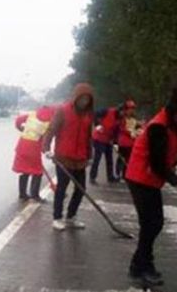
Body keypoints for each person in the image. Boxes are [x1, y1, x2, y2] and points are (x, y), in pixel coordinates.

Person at [124, 88, 177, 285]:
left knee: (153, 224)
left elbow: (167, 154)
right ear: (175, 110)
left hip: (149, 179)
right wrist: (176, 181)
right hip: (141, 178)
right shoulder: (159, 126)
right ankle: (142, 267)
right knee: (151, 224)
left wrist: (175, 169)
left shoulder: (170, 125)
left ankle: (141, 265)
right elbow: (157, 163)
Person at [43, 83, 95, 231]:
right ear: (76, 97)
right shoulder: (63, 111)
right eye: (82, 98)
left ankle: (71, 216)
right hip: (63, 158)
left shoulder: (87, 115)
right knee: (61, 188)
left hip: (80, 160)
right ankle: (57, 218)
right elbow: (51, 130)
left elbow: (88, 137)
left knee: (81, 189)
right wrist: (46, 148)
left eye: (87, 99)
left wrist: (89, 155)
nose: (84, 102)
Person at [12, 105, 55, 202]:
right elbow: (45, 140)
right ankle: (34, 195)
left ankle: (22, 194)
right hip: (33, 148)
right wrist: (46, 151)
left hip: (22, 145)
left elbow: (18, 120)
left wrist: (21, 129)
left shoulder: (32, 115)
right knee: (37, 172)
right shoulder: (50, 123)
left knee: (25, 170)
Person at [90, 104, 120, 184]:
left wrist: (115, 143)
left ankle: (110, 177)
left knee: (110, 160)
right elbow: (95, 114)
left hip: (108, 140)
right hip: (99, 138)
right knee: (97, 158)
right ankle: (92, 177)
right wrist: (98, 125)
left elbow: (116, 132)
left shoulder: (119, 118)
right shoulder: (107, 111)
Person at [114, 99, 139, 178]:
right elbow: (121, 128)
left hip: (131, 142)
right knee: (121, 158)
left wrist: (137, 132)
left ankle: (125, 175)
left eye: (133, 109)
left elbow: (137, 128)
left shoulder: (134, 119)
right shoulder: (122, 118)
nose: (131, 111)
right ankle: (118, 173)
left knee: (128, 159)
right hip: (123, 142)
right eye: (130, 109)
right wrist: (130, 132)